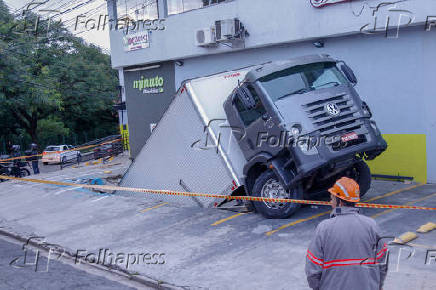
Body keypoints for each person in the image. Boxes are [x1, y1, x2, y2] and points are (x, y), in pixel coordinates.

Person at [305, 177, 388, 290]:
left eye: (332, 198)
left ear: (340, 201)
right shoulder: (371, 225)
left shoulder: (324, 228)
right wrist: (377, 285)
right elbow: (383, 262)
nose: (330, 202)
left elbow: (313, 270)